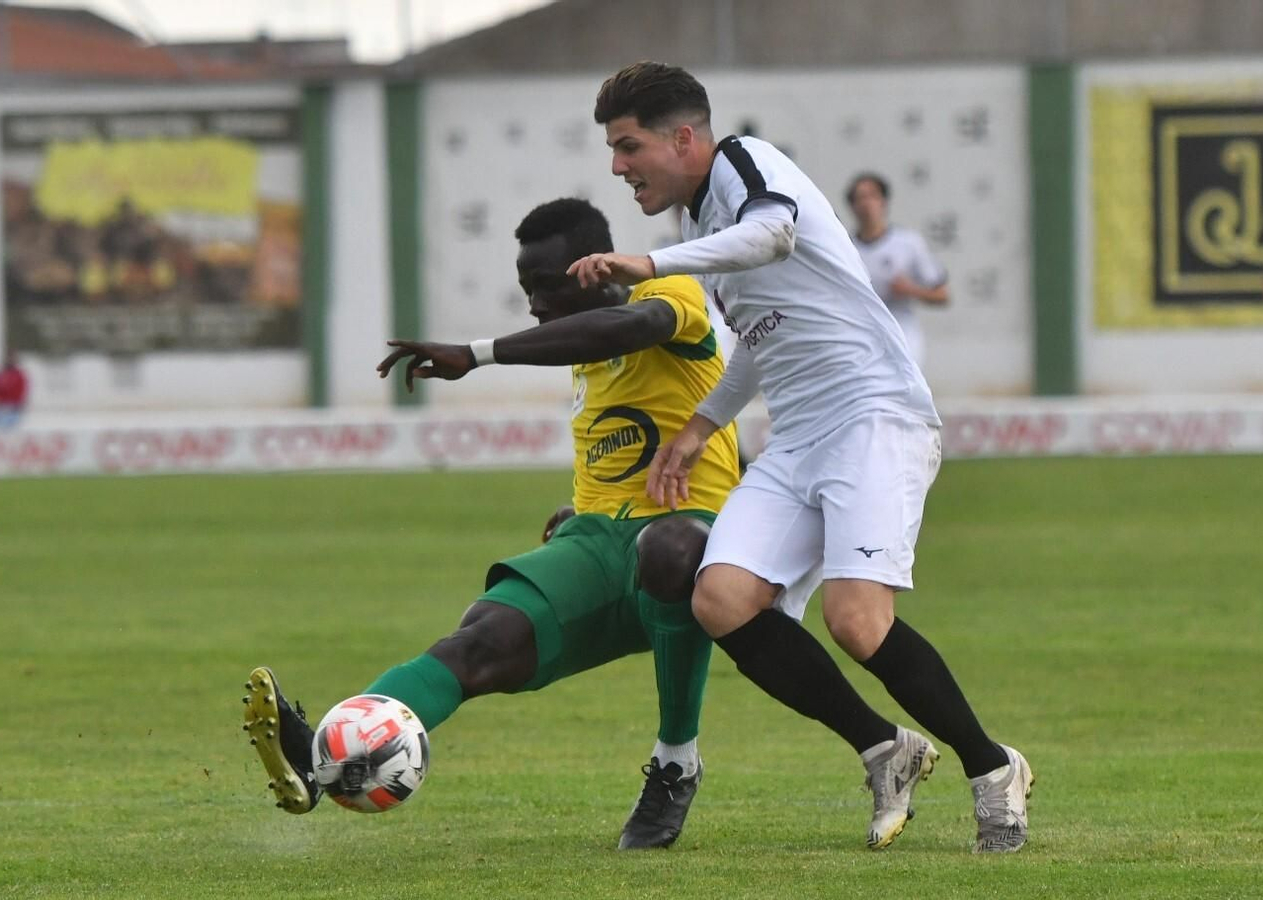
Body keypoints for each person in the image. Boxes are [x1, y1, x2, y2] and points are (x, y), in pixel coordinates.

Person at [567, 61, 1031, 853]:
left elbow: (774, 231)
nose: (617, 166)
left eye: (627, 145)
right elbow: (758, 338)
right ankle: (886, 749)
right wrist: (702, 425)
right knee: (720, 599)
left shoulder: (745, 163)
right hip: (799, 436)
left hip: (873, 417)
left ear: (684, 138)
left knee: (856, 621)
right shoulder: (696, 227)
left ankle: (993, 771)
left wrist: (650, 264)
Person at [245, 198, 741, 849]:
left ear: (593, 270)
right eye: (525, 289)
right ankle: (324, 762)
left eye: (545, 286)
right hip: (597, 545)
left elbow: (627, 326)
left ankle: (676, 764)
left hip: (687, 542)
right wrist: (581, 514)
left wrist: (477, 353)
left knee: (673, 546)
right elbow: (617, 434)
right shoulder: (584, 359)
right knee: (474, 643)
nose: (534, 303)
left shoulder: (667, 293)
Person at [845, 173, 950, 367]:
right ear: (852, 206)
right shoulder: (845, 248)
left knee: (905, 391)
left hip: (902, 332)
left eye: (872, 196)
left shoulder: (908, 243)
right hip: (861, 335)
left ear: (884, 202)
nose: (867, 204)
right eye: (860, 198)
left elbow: (942, 295)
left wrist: (910, 290)